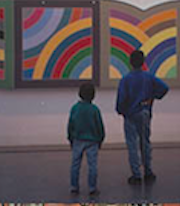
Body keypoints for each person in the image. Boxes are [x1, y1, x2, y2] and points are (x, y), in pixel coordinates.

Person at [116, 49, 169, 184]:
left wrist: (122, 111)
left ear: (130, 63)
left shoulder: (126, 80)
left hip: (130, 114)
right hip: (145, 112)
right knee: (145, 142)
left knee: (132, 144)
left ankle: (136, 174)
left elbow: (121, 99)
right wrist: (153, 97)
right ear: (143, 62)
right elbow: (164, 88)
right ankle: (148, 171)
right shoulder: (148, 77)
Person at [67, 82, 105, 195]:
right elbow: (100, 126)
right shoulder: (94, 109)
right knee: (92, 165)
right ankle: (92, 188)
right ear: (93, 95)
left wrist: (70, 138)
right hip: (92, 141)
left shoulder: (75, 108)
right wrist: (101, 139)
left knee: (75, 164)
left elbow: (70, 125)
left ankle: (74, 187)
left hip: (77, 140)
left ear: (80, 94)